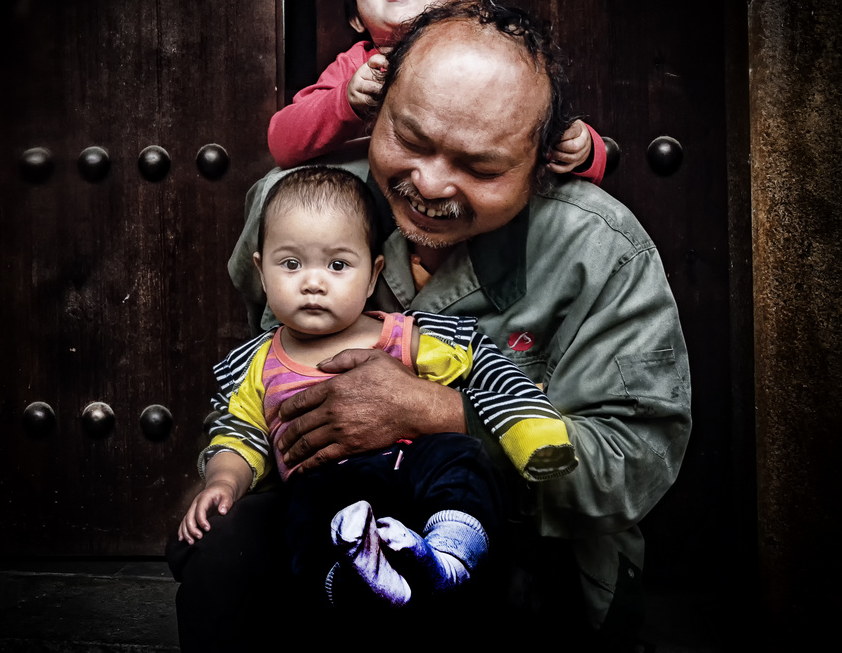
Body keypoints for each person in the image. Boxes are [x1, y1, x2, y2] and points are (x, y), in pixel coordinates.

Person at [170, 0, 691, 652]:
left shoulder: (599, 247)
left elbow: (631, 464)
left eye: (480, 167)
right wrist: (229, 472)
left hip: (523, 543)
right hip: (338, 518)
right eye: (410, 142)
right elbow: (262, 385)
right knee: (221, 556)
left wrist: (442, 415)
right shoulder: (297, 205)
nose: (432, 184)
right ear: (378, 106)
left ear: (543, 157)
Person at [177, 165, 576, 613]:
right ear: (261, 272)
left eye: (338, 265)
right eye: (291, 264)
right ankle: (353, 582)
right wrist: (223, 481)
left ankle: (446, 557)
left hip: (413, 475)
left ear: (372, 275)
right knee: (304, 514)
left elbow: (484, 368)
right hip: (328, 490)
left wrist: (529, 423)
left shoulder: (402, 337)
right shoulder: (257, 365)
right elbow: (240, 435)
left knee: (460, 458)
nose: (313, 282)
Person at [267, 0, 607, 185]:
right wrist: (346, 102)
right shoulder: (359, 66)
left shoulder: (491, 57)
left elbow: (543, 124)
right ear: (357, 17)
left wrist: (583, 148)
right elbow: (281, 141)